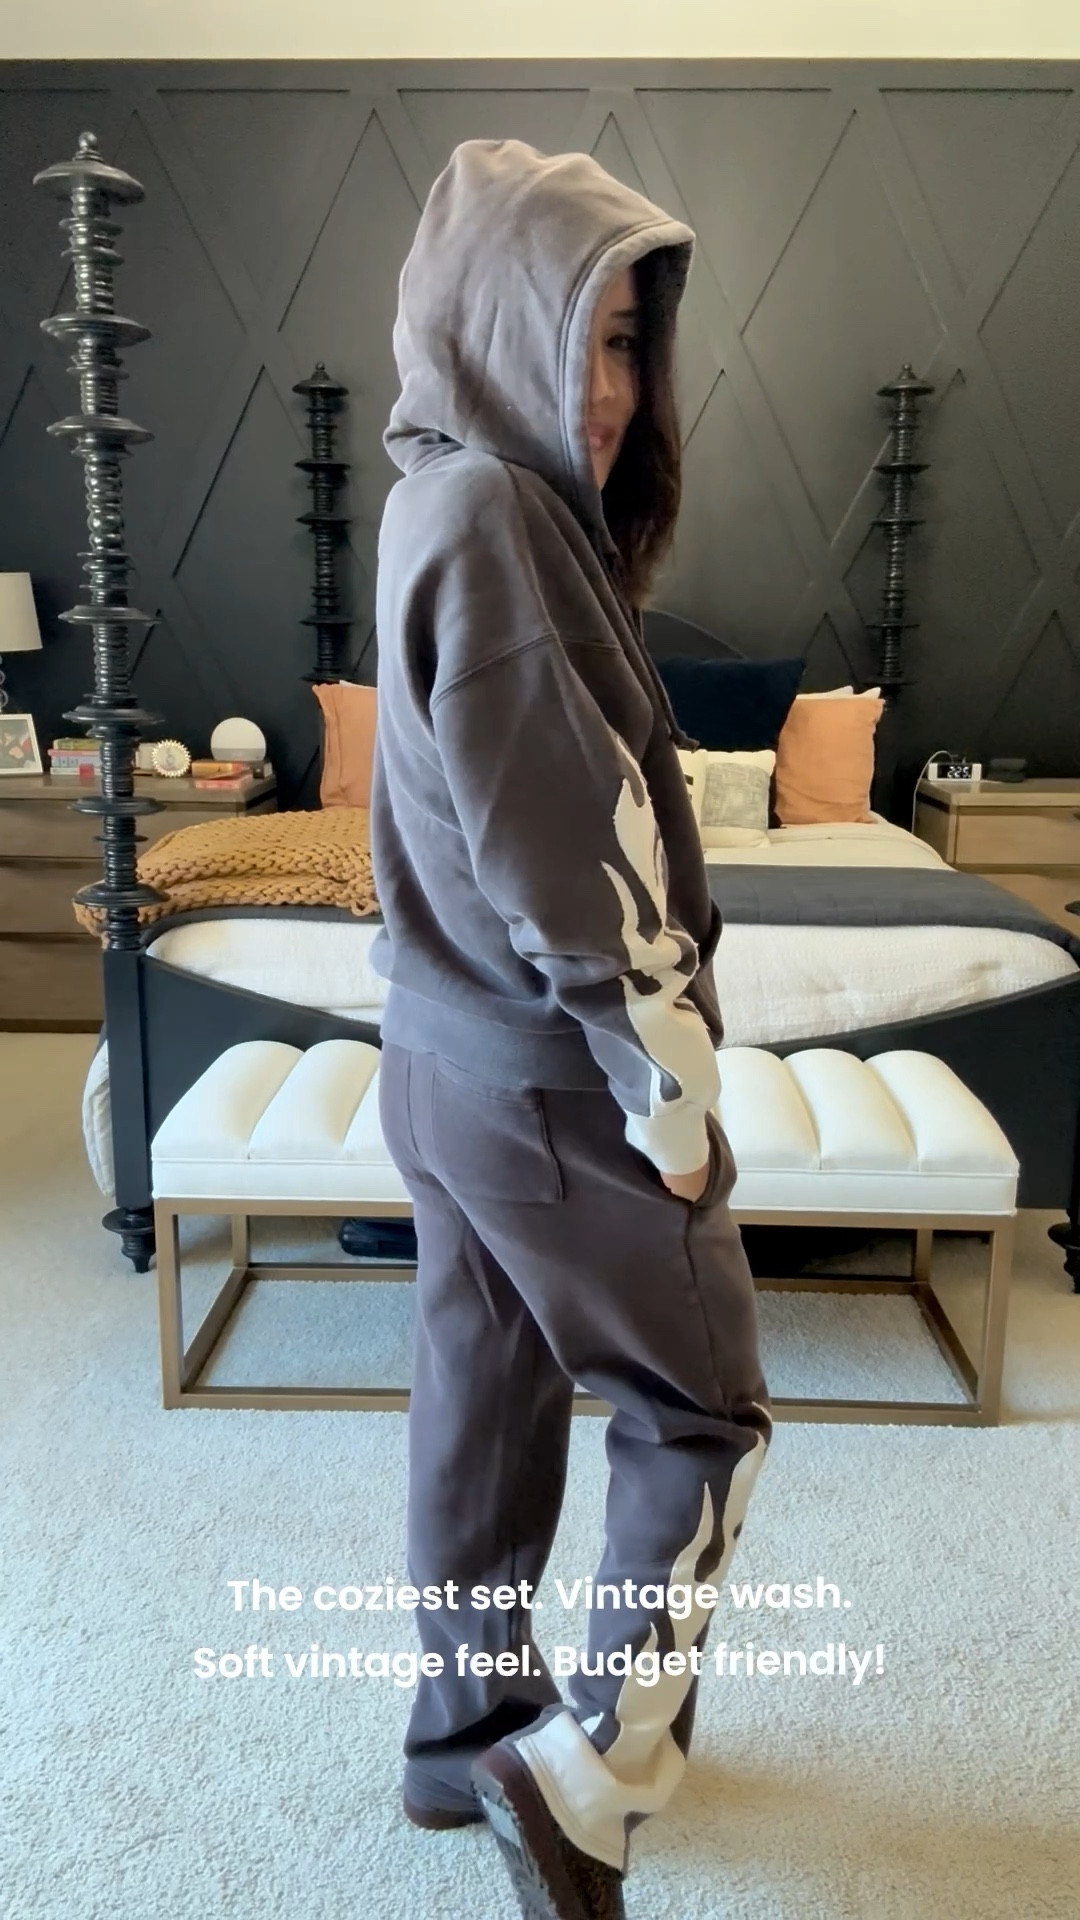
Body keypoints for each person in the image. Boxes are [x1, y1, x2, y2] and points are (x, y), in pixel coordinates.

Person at [369, 138, 772, 1920]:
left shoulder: (434, 495)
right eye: (581, 336)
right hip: (550, 1083)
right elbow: (571, 850)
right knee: (703, 1415)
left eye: (629, 343)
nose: (610, 391)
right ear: (488, 324)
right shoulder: (501, 521)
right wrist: (667, 1093)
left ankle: (461, 1737)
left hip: (441, 1067)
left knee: (485, 1396)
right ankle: (588, 1777)